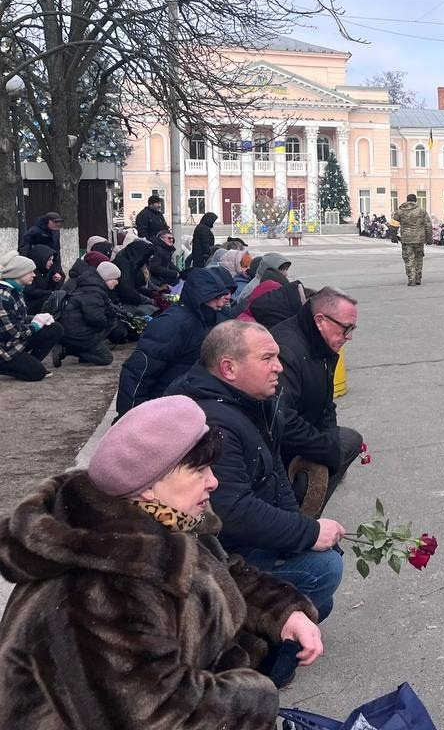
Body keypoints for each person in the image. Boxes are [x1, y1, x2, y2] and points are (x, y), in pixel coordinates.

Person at [0, 394, 324, 724]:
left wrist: (282, 612)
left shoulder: (159, 523)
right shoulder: (101, 588)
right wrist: (255, 698)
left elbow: (216, 573)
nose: (214, 481)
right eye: (199, 470)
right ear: (149, 486)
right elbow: (152, 715)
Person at [169, 322, 344, 684]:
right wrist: (307, 532)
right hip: (218, 553)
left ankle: (276, 634)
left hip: (228, 545)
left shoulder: (248, 402)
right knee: (323, 570)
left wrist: (298, 528)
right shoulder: (214, 420)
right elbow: (232, 512)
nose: (279, 366)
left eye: (278, 356)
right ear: (229, 368)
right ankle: (262, 672)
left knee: (320, 575)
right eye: (267, 358)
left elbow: (271, 471)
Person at [271, 287, 364, 514]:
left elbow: (326, 405)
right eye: (346, 328)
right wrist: (326, 449)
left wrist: (330, 441)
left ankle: (310, 515)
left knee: (347, 442)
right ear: (320, 320)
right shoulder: (286, 350)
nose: (349, 336)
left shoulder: (322, 343)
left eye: (353, 329)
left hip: (304, 428)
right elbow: (281, 419)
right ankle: (299, 522)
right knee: (323, 463)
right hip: (275, 446)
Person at [115, 267, 235, 418]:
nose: (223, 301)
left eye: (226, 294)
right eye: (217, 296)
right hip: (165, 405)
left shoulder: (215, 318)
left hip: (194, 402)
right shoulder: (172, 323)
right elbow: (138, 372)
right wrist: (129, 416)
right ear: (201, 296)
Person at [0, 251, 63, 381]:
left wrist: (39, 319)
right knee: (37, 374)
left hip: (13, 342)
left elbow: (18, 318)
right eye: (30, 272)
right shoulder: (3, 296)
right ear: (19, 273)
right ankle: (17, 365)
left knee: (55, 328)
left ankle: (28, 364)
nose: (34, 275)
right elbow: (13, 332)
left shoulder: (16, 290)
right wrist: (35, 325)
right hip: (4, 349)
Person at [54, 261, 122, 367]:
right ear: (106, 278)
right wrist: (108, 320)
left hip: (71, 328)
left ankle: (71, 348)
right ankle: (67, 350)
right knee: (106, 358)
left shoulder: (92, 286)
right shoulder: (94, 291)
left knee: (111, 321)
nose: (117, 282)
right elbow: (95, 317)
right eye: (114, 279)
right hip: (77, 332)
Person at [395, 193, 431, 286]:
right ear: (416, 200)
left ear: (407, 200)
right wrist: (429, 238)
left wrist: (393, 236)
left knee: (408, 259)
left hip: (406, 239)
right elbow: (428, 225)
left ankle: (411, 278)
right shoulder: (422, 211)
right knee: (419, 258)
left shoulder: (400, 211)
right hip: (419, 238)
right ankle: (418, 278)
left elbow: (394, 224)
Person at [21, 245, 64, 315]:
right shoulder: (30, 272)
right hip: (30, 308)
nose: (51, 263)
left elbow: (48, 288)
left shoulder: (46, 271)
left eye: (52, 260)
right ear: (41, 258)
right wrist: (50, 293)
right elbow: (29, 291)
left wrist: (54, 281)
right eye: (49, 260)